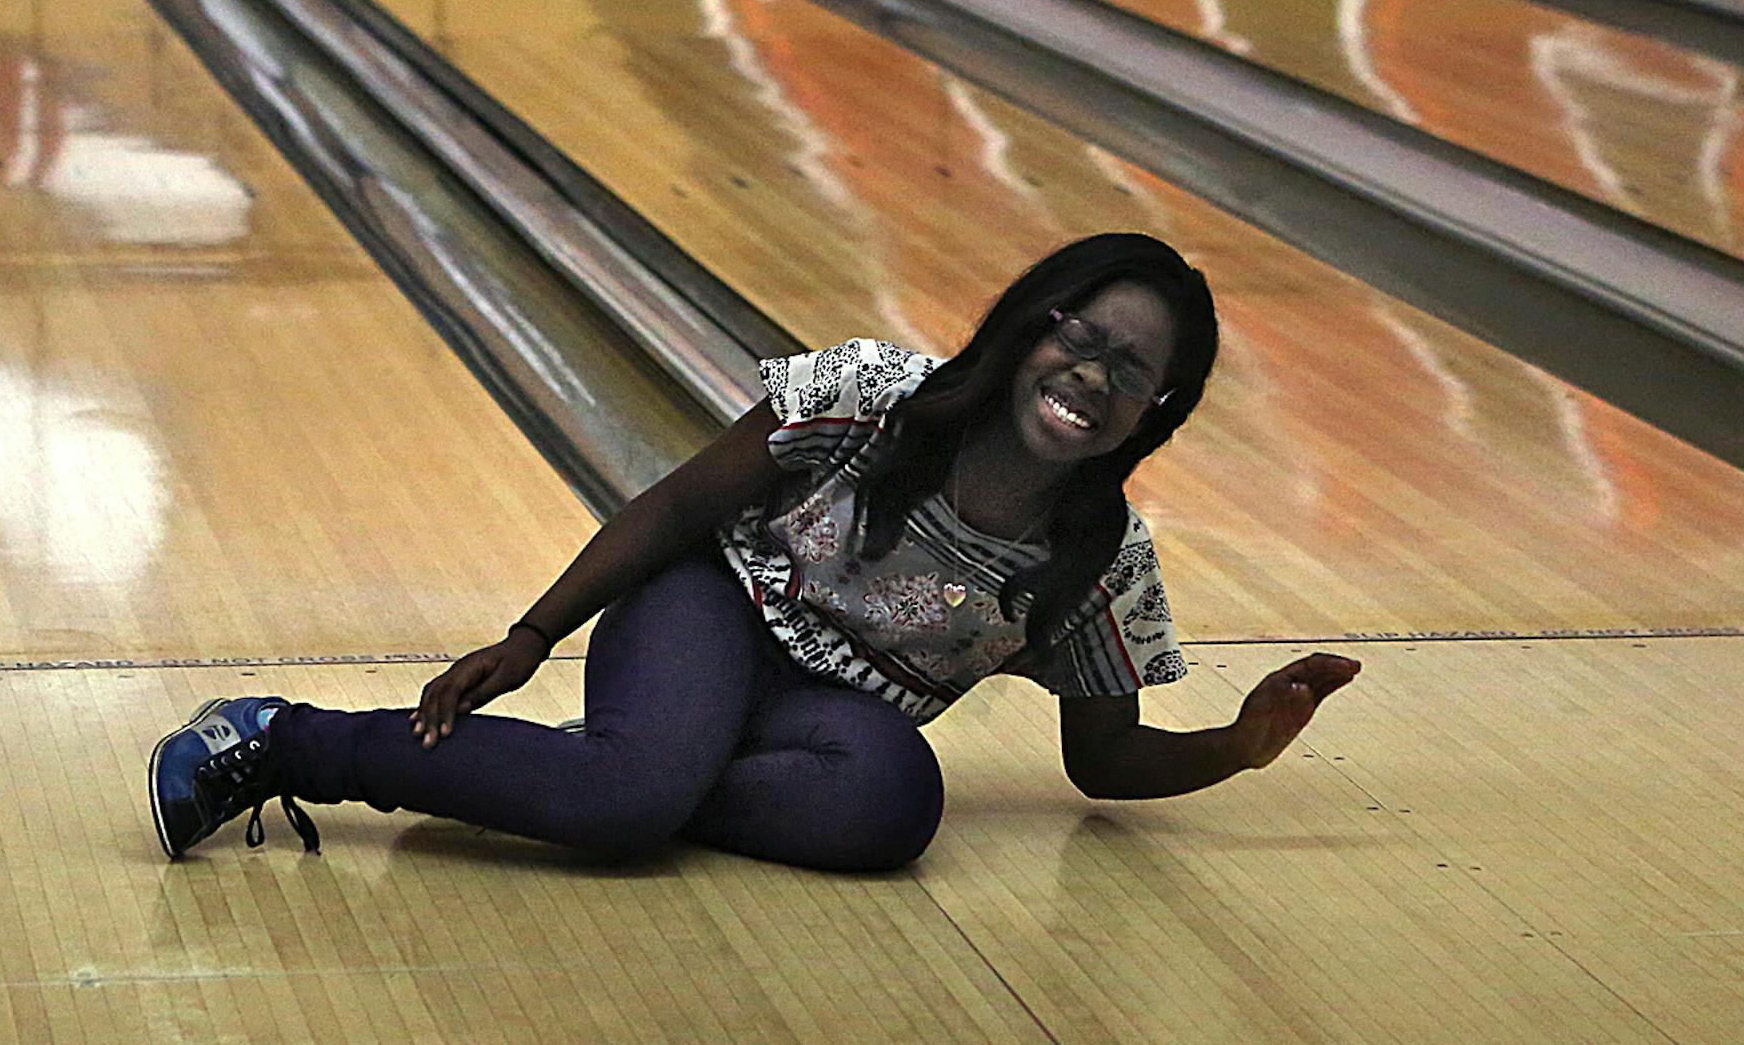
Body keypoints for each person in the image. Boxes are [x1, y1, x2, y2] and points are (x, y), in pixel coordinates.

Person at [150, 232, 1361, 871]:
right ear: (1028, 329)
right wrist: (531, 637)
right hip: (707, 612)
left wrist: (1235, 752)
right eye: (1078, 339)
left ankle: (622, 767)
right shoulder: (873, 394)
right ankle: (278, 741)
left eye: (1131, 372)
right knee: (628, 806)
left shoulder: (1100, 563)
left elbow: (1103, 766)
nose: (1090, 377)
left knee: (895, 808)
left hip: (826, 722)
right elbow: (679, 510)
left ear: (1159, 410)